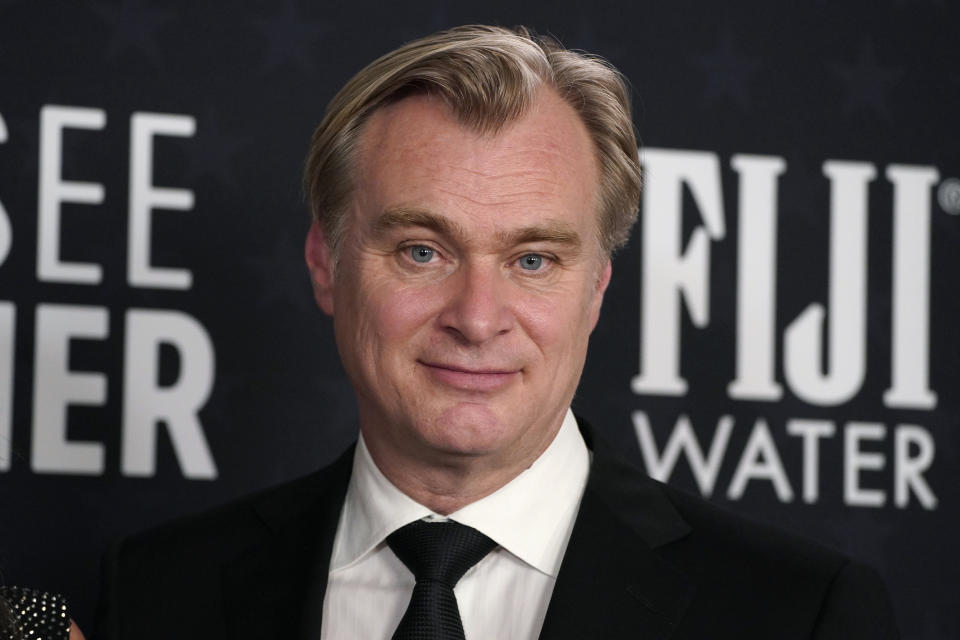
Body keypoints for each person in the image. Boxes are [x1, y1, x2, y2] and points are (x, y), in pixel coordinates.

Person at [95, 25, 899, 639]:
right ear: (325, 264)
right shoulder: (160, 592)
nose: (477, 318)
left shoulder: (800, 616)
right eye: (421, 251)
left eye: (534, 260)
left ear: (596, 289)